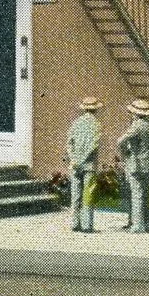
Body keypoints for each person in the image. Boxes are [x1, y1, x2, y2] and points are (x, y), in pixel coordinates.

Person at [116, 99, 149, 233]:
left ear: (135, 113)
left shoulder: (137, 126)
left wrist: (125, 153)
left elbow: (120, 141)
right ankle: (148, 223)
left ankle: (138, 225)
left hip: (137, 163)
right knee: (146, 194)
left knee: (137, 194)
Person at [65, 97, 102, 233]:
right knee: (88, 194)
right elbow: (93, 145)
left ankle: (75, 223)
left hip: (75, 164)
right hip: (88, 165)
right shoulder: (96, 124)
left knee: (76, 195)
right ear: (96, 109)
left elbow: (69, 143)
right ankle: (87, 225)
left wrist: (73, 158)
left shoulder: (76, 123)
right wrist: (82, 159)